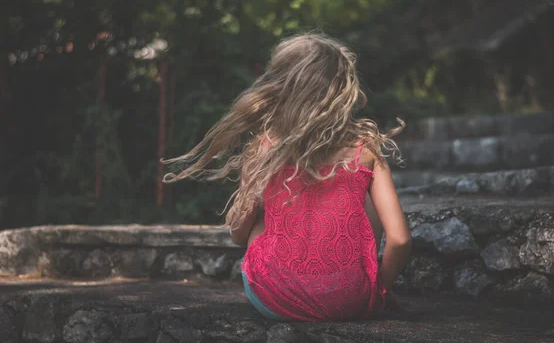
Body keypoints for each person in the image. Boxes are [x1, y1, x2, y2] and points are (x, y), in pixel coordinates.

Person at [163, 33, 412, 321]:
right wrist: (379, 290)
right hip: (349, 301)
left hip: (273, 297)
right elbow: (400, 240)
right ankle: (358, 279)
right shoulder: (365, 150)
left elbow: (238, 235)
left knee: (259, 214)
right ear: (342, 89)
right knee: (365, 198)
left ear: (281, 86)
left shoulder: (265, 147)